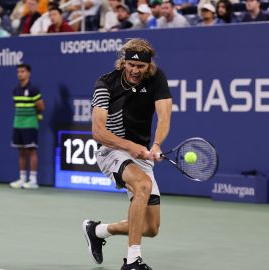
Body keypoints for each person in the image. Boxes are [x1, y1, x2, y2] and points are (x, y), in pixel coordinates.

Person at [82, 38, 172, 270]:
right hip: (111, 150)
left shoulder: (157, 78)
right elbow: (98, 131)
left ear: (148, 66)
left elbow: (164, 116)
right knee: (142, 185)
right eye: (131, 65)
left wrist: (157, 145)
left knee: (151, 228)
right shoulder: (105, 83)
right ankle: (132, 261)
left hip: (141, 156)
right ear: (123, 62)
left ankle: (97, 230)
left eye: (140, 66)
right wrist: (130, 146)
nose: (135, 70)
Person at [9, 64, 45, 189]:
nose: (20, 74)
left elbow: (41, 106)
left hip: (30, 124)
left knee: (31, 151)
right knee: (21, 152)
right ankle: (22, 179)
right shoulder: (15, 90)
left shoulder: (33, 89)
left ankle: (33, 180)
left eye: (22, 71)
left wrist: (35, 115)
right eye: (18, 72)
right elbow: (17, 106)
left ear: (28, 73)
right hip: (18, 124)